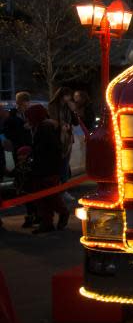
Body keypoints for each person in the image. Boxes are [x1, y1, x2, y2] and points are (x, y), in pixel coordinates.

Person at [25, 104, 69, 234]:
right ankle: (47, 222)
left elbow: (51, 149)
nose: (27, 120)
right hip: (44, 168)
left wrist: (34, 154)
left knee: (49, 196)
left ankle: (61, 214)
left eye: (29, 117)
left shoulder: (45, 128)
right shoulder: (42, 126)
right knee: (43, 197)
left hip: (47, 169)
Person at [2, 92, 36, 228]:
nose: (26, 105)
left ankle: (33, 214)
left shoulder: (26, 115)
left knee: (29, 184)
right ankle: (31, 214)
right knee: (24, 184)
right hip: (20, 152)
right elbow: (9, 134)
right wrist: (23, 129)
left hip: (28, 151)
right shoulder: (12, 117)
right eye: (24, 102)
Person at [48, 86, 76, 183]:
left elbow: (76, 122)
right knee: (60, 163)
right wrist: (62, 126)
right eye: (67, 96)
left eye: (69, 96)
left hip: (67, 137)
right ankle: (59, 186)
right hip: (57, 137)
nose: (69, 98)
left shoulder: (68, 107)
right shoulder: (53, 106)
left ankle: (64, 186)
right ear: (61, 96)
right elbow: (53, 121)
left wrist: (73, 111)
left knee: (65, 163)